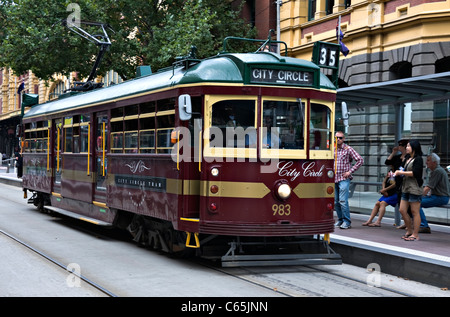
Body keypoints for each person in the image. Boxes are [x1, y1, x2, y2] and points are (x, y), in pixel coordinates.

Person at [394, 140, 423, 241]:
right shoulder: (407, 158)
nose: (406, 148)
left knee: (415, 212)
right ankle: (410, 230)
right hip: (405, 187)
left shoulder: (418, 159)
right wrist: (396, 173)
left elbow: (416, 173)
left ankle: (415, 234)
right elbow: (402, 170)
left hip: (414, 188)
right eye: (406, 146)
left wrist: (401, 173)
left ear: (414, 147)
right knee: (402, 209)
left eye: (408, 146)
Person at [334, 131, 364, 229]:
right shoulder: (332, 149)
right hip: (334, 178)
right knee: (336, 201)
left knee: (342, 200)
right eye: (336, 137)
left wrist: (350, 172)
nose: (338, 139)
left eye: (340, 138)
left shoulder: (348, 149)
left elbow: (360, 160)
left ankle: (347, 222)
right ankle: (340, 220)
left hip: (344, 178)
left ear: (344, 139)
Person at [418, 153, 450, 233]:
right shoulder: (437, 170)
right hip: (438, 196)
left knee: (416, 203)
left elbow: (428, 187)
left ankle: (423, 225)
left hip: (441, 197)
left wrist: (418, 195)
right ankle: (417, 223)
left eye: (428, 160)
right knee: (415, 202)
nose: (426, 162)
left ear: (434, 162)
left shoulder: (437, 171)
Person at [385, 139, 408, 227]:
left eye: (400, 145)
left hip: (405, 183)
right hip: (398, 183)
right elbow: (387, 162)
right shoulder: (397, 157)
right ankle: (406, 223)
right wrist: (393, 153)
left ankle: (408, 223)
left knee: (406, 205)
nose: (399, 147)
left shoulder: (408, 157)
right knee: (400, 204)